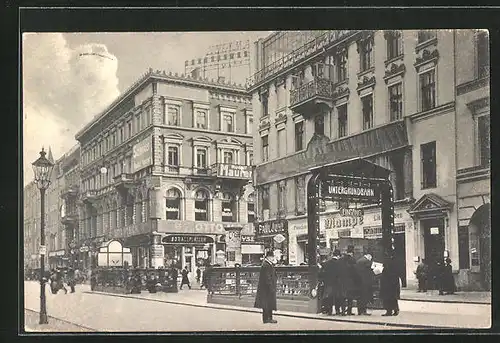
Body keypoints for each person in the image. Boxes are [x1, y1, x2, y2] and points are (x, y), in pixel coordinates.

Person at [254, 250, 278, 324]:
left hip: (266, 288)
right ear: (269, 257)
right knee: (267, 303)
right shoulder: (266, 265)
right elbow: (268, 278)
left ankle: (268, 318)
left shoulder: (267, 264)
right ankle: (267, 319)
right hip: (267, 288)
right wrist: (271, 287)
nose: (273, 258)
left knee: (267, 303)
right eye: (272, 257)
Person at [340, 245, 357, 316]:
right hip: (350, 281)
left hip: (342, 280)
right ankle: (349, 311)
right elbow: (354, 271)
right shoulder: (353, 260)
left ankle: (343, 311)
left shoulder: (341, 259)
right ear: (352, 252)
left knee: (343, 297)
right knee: (350, 297)